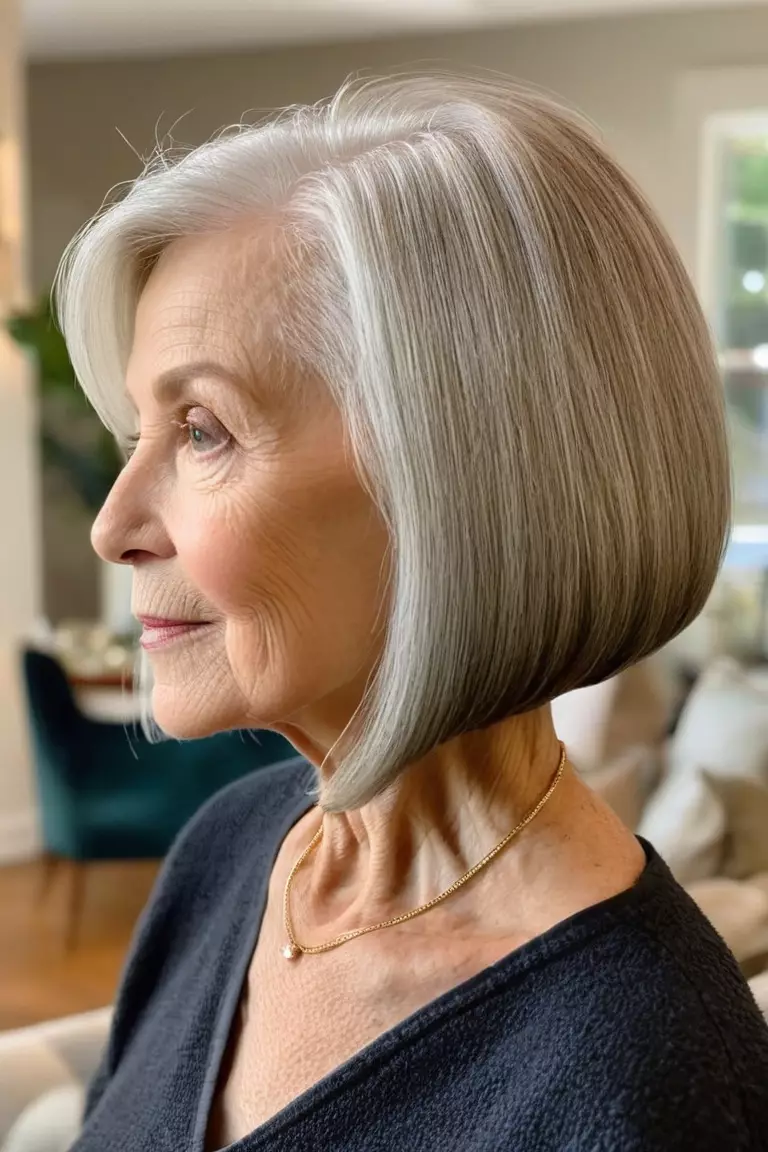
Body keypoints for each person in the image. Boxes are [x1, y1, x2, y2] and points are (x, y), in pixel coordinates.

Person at [55, 74, 768, 1151]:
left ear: (460, 485)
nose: (114, 527)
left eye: (202, 430)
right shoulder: (234, 847)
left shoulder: (648, 1070)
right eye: (137, 434)